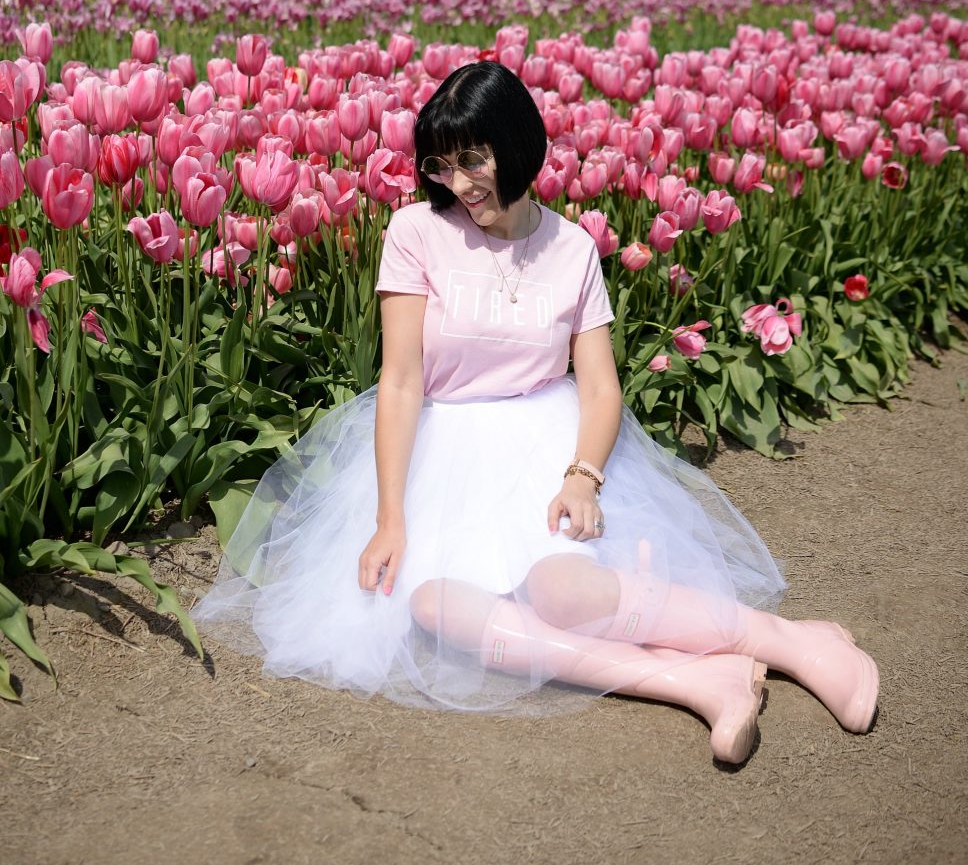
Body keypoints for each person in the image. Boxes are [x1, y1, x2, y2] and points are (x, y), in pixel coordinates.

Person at [193, 62, 878, 764]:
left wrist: (583, 475)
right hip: (442, 453)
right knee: (432, 608)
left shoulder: (572, 247)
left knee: (563, 591)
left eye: (473, 160)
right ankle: (698, 683)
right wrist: (390, 517)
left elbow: (601, 388)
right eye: (441, 165)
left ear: (515, 142)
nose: (457, 184)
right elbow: (400, 382)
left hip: (544, 446)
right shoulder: (416, 234)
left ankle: (791, 641)